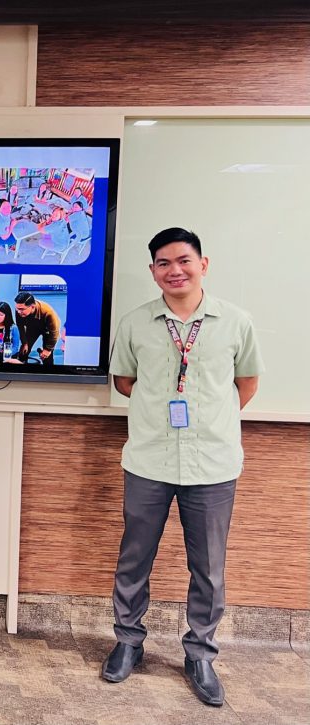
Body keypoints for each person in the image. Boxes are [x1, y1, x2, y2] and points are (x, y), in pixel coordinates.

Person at [101, 228, 263, 707]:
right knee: (135, 557)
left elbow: (246, 385)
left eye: (184, 261)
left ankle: (200, 654)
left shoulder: (236, 322)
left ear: (203, 264)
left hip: (212, 463)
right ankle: (128, 642)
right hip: (149, 457)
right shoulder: (135, 323)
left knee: (209, 567)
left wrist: (207, 418)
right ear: (153, 271)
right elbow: (126, 381)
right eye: (164, 263)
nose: (175, 270)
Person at [14, 292, 61, 364]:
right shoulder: (19, 309)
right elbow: (20, 326)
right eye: (17, 309)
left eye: (21, 309)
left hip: (48, 330)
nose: (19, 312)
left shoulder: (48, 312)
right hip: (32, 327)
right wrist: (24, 343)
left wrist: (48, 349)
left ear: (32, 307)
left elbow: (54, 333)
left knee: (47, 356)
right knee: (23, 352)